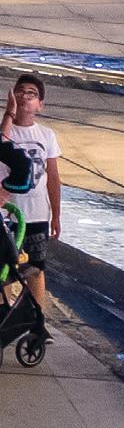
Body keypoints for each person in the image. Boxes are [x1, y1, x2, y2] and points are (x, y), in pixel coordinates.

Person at [0, 73, 61, 320]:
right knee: (4, 268)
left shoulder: (47, 135)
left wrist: (56, 215)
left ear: (40, 105)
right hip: (7, 213)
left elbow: (53, 178)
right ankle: (4, 316)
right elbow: (1, 142)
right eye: (20, 91)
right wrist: (9, 114)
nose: (25, 96)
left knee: (36, 268)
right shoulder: (5, 129)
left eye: (31, 94)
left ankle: (37, 320)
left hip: (36, 214)